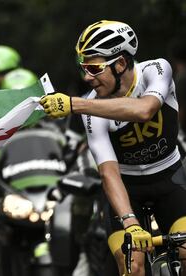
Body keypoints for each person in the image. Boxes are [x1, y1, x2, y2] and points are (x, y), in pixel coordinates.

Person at [40, 20, 186, 275]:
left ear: (120, 63)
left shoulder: (156, 70)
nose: (87, 77)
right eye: (83, 68)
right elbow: (109, 172)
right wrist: (130, 222)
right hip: (127, 189)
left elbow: (144, 110)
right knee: (132, 265)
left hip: (171, 178)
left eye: (94, 68)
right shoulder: (91, 110)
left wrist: (74, 104)